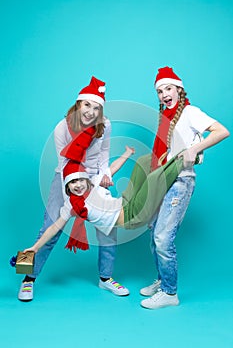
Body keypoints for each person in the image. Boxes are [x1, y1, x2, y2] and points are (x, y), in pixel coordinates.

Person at [18, 76, 130, 301]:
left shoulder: (105, 125)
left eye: (96, 107)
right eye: (87, 105)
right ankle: (28, 279)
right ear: (78, 104)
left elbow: (104, 155)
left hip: (94, 178)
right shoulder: (63, 127)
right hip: (67, 177)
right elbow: (63, 162)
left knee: (108, 228)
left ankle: (105, 278)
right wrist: (73, 195)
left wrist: (104, 176)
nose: (91, 111)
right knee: (50, 228)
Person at [139, 66, 230, 310]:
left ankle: (170, 292)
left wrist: (194, 149)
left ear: (178, 89)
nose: (163, 94)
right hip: (161, 181)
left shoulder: (189, 112)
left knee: (162, 236)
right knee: (153, 230)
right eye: (159, 91)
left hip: (180, 181)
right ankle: (162, 280)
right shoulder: (166, 118)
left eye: (167, 88)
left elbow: (222, 131)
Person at [23, 149, 184, 261]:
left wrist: (127, 154)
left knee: (143, 161)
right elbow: (54, 227)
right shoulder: (71, 207)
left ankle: (170, 151)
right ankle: (186, 158)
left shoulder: (93, 183)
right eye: (72, 183)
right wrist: (35, 247)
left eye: (79, 180)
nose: (77, 185)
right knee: (152, 180)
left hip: (125, 201)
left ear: (85, 179)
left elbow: (112, 168)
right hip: (132, 216)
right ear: (67, 186)